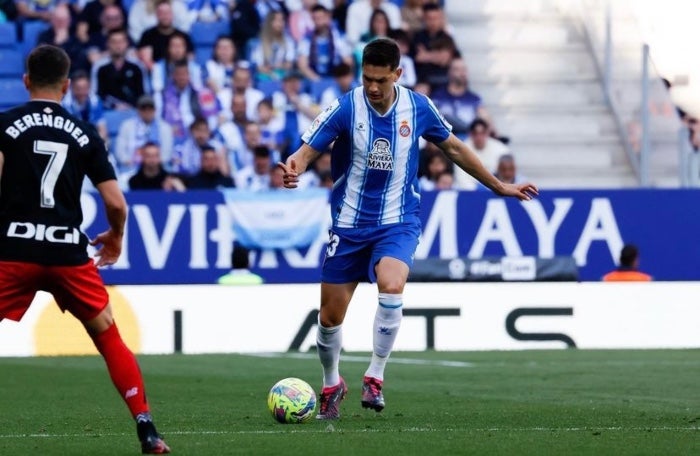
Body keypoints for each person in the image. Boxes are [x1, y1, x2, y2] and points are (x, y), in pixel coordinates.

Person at [278, 38, 538, 420]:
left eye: (381, 80)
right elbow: (305, 151)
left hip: (398, 221)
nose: (373, 87)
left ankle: (375, 377)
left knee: (393, 284)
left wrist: (498, 185)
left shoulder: (417, 107)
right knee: (330, 318)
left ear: (397, 74)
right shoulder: (346, 106)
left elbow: (454, 148)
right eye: (367, 78)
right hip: (348, 225)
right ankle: (332, 383)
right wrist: (294, 168)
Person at [0, 45, 170, 454]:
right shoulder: (84, 132)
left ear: (26, 81)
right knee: (107, 333)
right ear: (66, 84)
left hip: (14, 248)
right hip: (66, 252)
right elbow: (115, 203)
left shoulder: (4, 124)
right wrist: (115, 237)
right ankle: (146, 427)